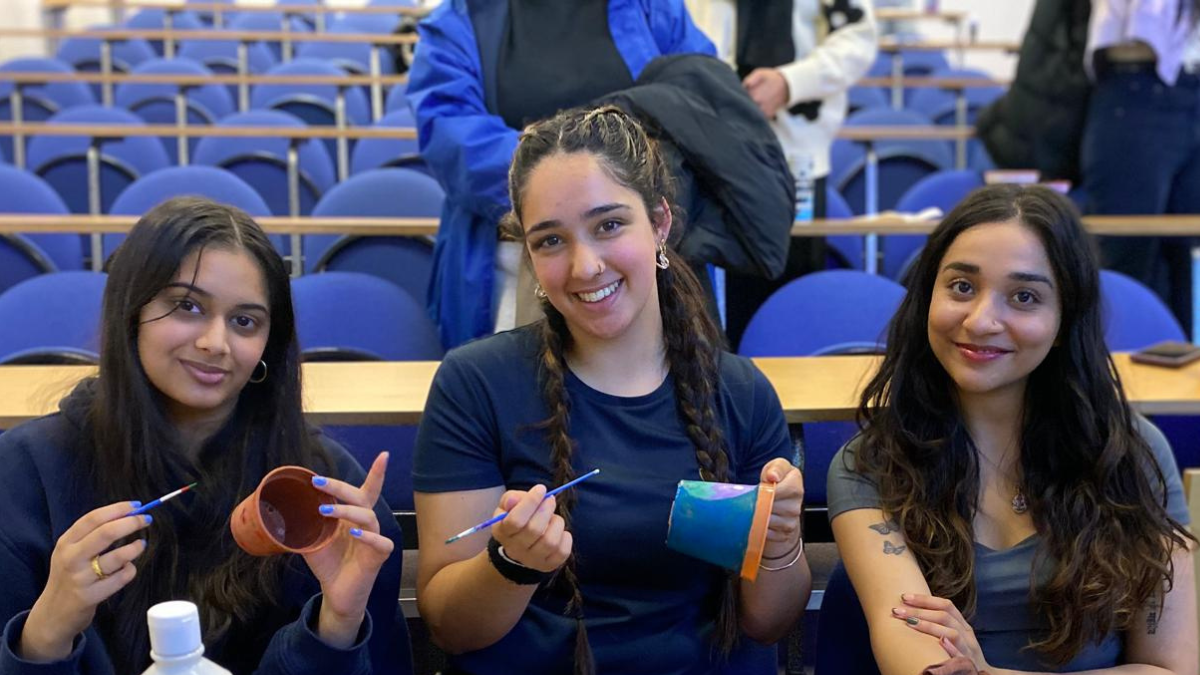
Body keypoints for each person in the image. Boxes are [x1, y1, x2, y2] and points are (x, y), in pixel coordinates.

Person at [413, 106, 810, 675]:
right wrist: (510, 565)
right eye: (550, 241)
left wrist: (781, 544)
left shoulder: (740, 393)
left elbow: (767, 625)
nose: (584, 266)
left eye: (608, 225)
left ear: (661, 224)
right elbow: (449, 626)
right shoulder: (476, 383)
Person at [0, 198, 411, 674]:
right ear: (130, 313)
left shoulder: (323, 492)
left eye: (244, 321)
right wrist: (46, 632)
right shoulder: (24, 473)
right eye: (187, 306)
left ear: (267, 345)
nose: (215, 343)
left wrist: (335, 626)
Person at [828, 184, 1197, 674]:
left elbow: (1172, 668)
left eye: (1024, 296)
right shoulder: (872, 464)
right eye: (962, 286)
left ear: (1065, 318)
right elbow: (914, 656)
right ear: (927, 296)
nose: (982, 321)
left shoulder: (1131, 453)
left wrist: (992, 673)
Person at [405, 0, 716, 348]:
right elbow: (450, 132)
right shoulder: (461, 19)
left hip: (642, 251)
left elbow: (702, 98)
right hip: (520, 259)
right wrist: (572, 174)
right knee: (528, 390)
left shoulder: (654, 7)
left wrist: (613, 178)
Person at [685, 0, 878, 348]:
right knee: (716, 300)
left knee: (790, 303)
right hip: (710, 147)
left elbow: (858, 38)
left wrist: (791, 82)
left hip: (796, 154)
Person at [1082, 0, 1200, 333]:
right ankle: (1101, 378)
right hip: (1132, 83)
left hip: (1190, 84)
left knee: (1187, 264)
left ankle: (1186, 379)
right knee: (1125, 255)